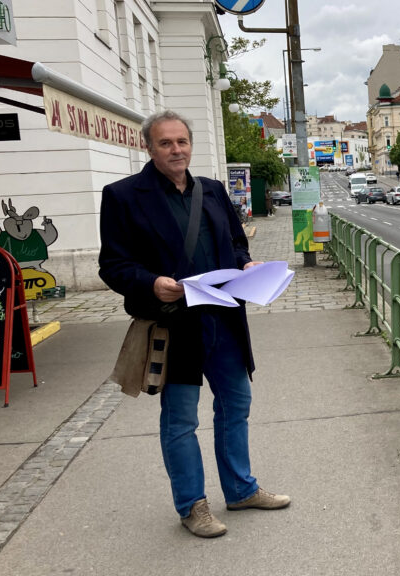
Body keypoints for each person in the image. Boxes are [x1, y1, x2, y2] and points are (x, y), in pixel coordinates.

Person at [98, 110, 289, 539]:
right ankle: (192, 505)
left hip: (223, 318)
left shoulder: (213, 191)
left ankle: (240, 489)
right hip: (174, 326)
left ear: (190, 144)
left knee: (236, 405)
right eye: (165, 143)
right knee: (181, 419)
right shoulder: (124, 195)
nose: (176, 150)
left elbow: (235, 243)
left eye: (181, 141)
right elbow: (112, 265)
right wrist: (151, 283)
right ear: (148, 147)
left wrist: (246, 264)